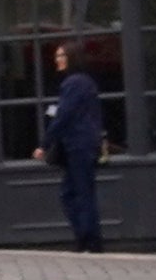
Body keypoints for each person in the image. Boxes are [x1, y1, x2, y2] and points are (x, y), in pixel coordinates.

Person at [42, 41, 109, 252]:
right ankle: (87, 239)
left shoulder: (74, 83)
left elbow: (63, 116)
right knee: (76, 192)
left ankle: (89, 240)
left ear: (72, 58)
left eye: (62, 56)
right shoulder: (84, 82)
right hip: (84, 144)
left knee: (77, 193)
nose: (58, 60)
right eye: (57, 56)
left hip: (78, 145)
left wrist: (45, 143)